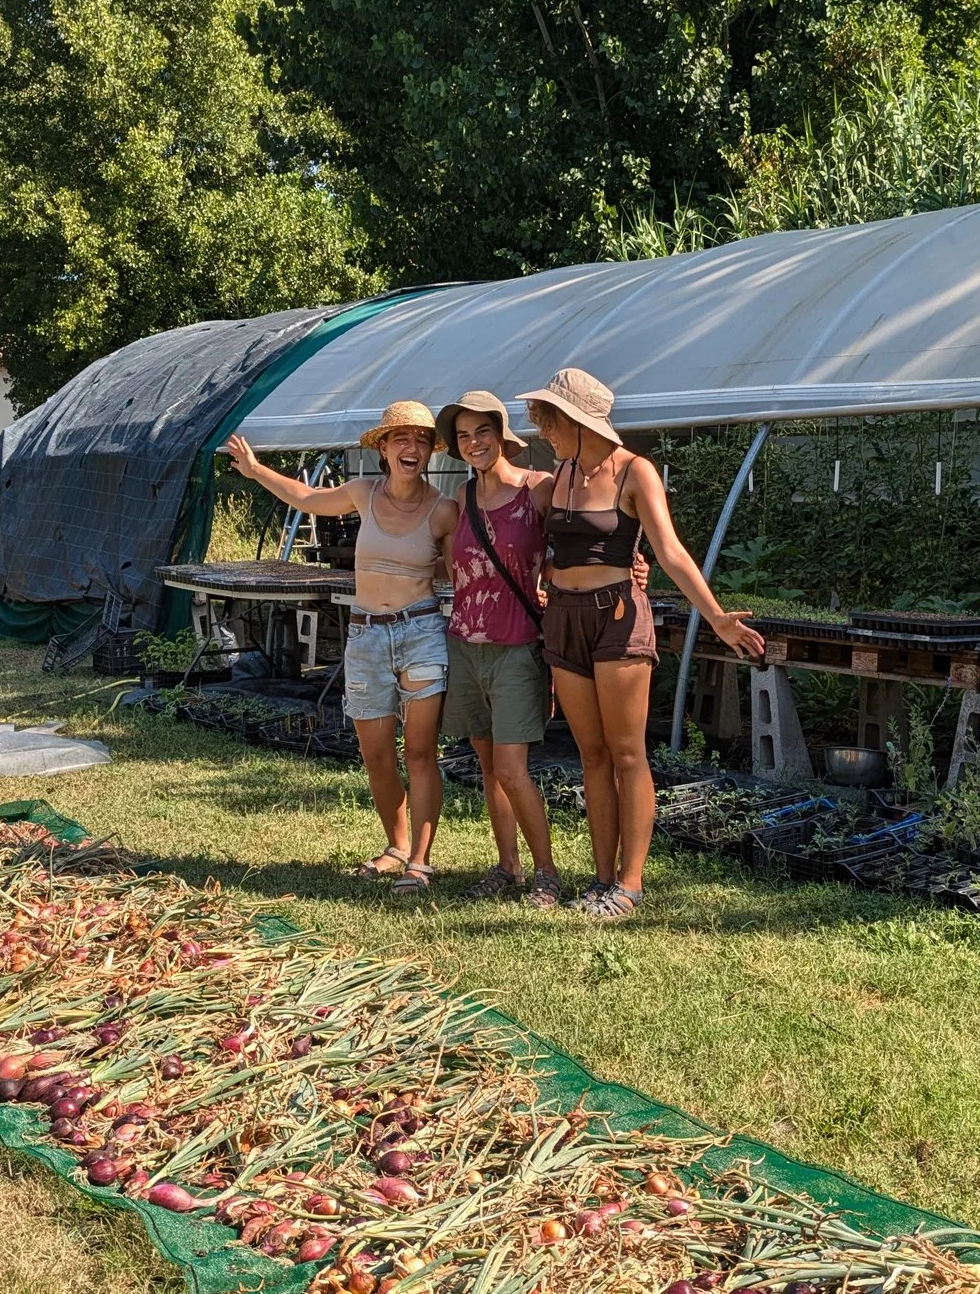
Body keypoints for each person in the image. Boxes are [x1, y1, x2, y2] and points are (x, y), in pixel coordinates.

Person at [519, 367, 766, 918]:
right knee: (592, 755)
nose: (543, 431)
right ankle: (601, 879)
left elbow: (671, 552)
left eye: (549, 420)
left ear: (578, 420)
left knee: (628, 753)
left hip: (618, 618)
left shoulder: (635, 471)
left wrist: (717, 617)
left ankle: (629, 885)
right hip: (563, 620)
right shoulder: (557, 472)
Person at [222, 403, 458, 891]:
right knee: (375, 754)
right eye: (401, 440)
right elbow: (307, 497)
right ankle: (395, 847)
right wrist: (255, 469)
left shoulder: (444, 510)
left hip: (420, 632)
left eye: (419, 440)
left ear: (428, 452)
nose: (410, 448)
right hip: (365, 635)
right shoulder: (362, 493)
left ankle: (421, 858)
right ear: (384, 449)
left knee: (419, 752)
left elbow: (461, 572)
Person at [435, 390, 561, 907]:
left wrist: (631, 566)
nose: (472, 444)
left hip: (518, 646)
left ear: (500, 434)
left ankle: (547, 873)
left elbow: (584, 538)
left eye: (481, 432)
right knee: (488, 768)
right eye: (462, 437)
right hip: (465, 644)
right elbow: (444, 563)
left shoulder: (539, 489)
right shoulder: (458, 502)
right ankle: (507, 867)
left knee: (512, 768)